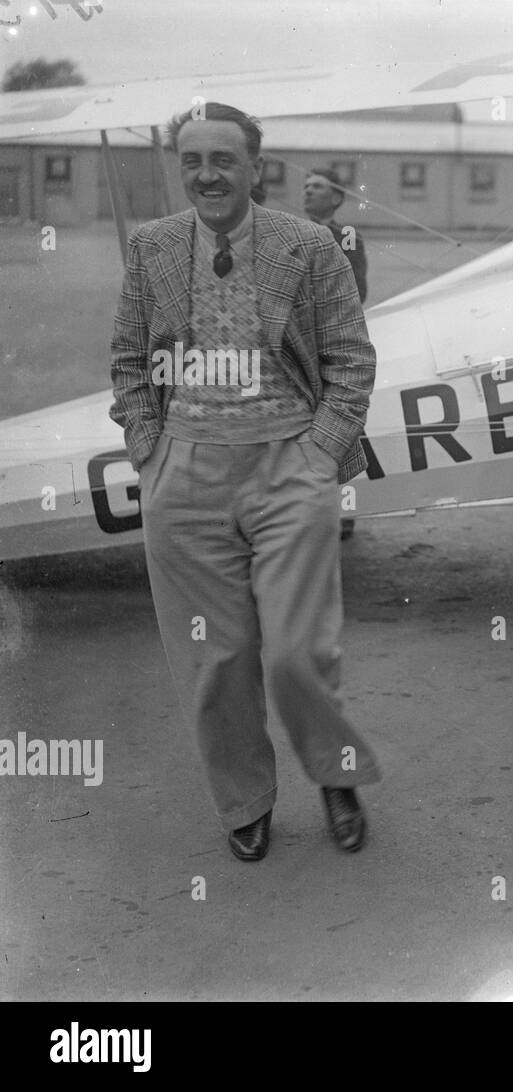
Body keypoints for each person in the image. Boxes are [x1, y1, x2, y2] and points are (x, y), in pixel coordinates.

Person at [109, 102, 380, 862]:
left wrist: (320, 455)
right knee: (214, 658)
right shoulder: (153, 247)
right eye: (192, 160)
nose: (207, 175)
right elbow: (130, 362)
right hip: (184, 473)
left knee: (297, 652)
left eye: (223, 159)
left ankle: (335, 773)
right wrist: (150, 453)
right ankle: (245, 800)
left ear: (254, 166)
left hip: (288, 466)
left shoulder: (308, 244)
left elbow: (352, 361)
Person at [303, 166, 367, 304]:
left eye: (317, 186)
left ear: (336, 198)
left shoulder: (348, 237)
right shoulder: (290, 233)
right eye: (306, 186)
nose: (308, 191)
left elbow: (357, 291)